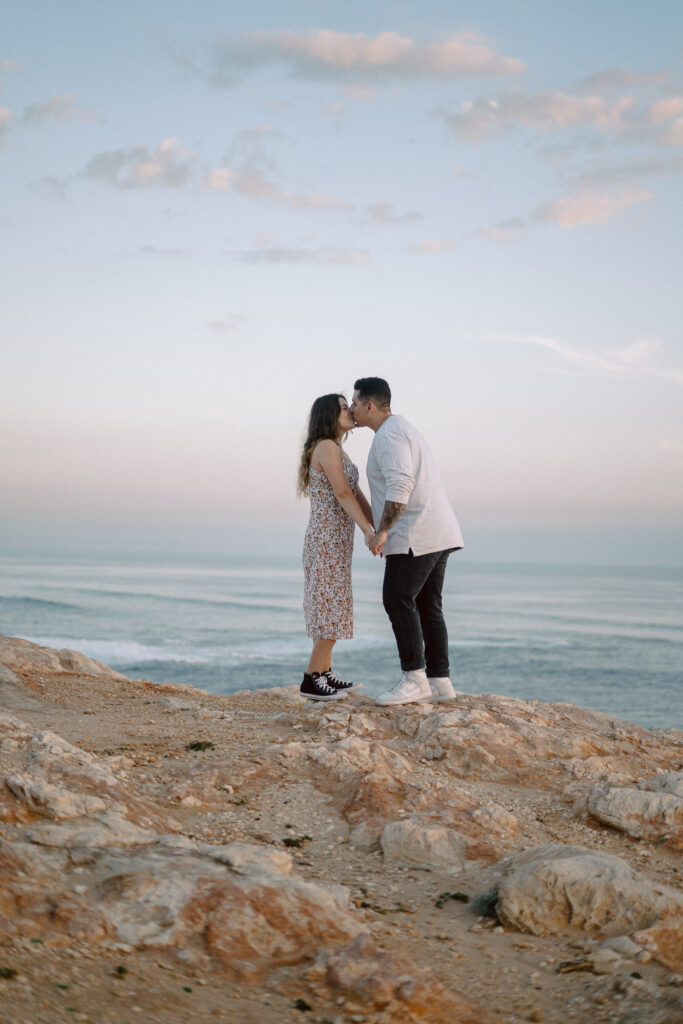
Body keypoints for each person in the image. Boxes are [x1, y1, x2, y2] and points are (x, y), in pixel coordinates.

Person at [349, 377, 464, 706]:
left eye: (355, 404)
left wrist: (382, 531)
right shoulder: (402, 428)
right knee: (428, 605)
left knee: (397, 599)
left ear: (370, 405)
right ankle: (440, 682)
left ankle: (414, 679)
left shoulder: (390, 435)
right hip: (437, 530)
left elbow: (401, 484)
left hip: (417, 532)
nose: (353, 410)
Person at [298, 393, 376, 701]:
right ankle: (311, 679)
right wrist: (368, 532)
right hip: (325, 543)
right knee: (330, 611)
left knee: (334, 607)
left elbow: (357, 495)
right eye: (344, 408)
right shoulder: (327, 447)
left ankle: (324, 673)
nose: (350, 411)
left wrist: (380, 528)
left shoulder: (338, 450)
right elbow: (343, 494)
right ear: (329, 415)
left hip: (337, 545)